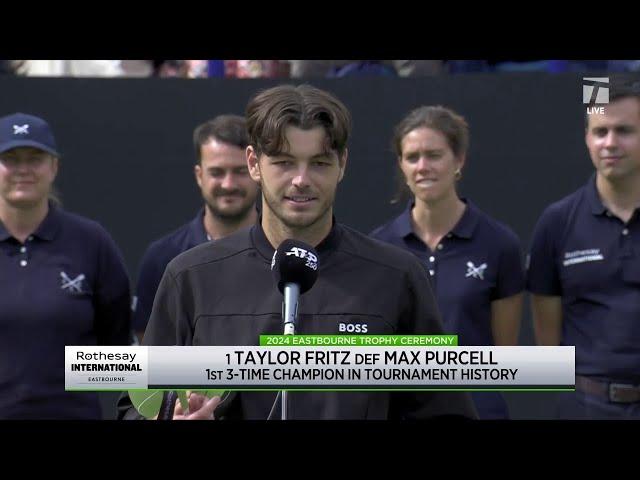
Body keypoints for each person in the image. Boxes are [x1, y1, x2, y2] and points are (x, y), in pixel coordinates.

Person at [118, 85, 477, 420]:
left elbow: (444, 410)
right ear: (254, 163)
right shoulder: (191, 277)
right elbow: (135, 406)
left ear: (343, 165)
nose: (302, 179)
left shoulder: (397, 276)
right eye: (285, 162)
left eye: (319, 163)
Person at [370, 106, 524, 419]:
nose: (423, 166)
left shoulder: (499, 243)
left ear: (459, 160)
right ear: (401, 165)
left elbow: (505, 353)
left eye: (434, 155)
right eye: (412, 157)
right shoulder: (379, 247)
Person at [0, 112, 131, 419]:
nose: (23, 170)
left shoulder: (91, 241)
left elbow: (114, 348)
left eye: (35, 158)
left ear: (54, 167)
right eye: (10, 158)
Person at [527, 80, 640, 419]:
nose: (610, 143)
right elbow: (547, 338)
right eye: (600, 131)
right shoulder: (557, 221)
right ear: (587, 137)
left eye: (624, 131)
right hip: (587, 406)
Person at [133, 115, 259, 342]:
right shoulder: (163, 257)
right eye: (217, 172)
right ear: (199, 176)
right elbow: (150, 352)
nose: (228, 184)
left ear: (257, 172)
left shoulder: (287, 256)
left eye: (241, 171)